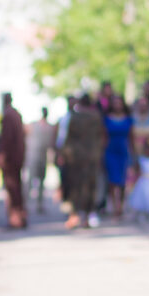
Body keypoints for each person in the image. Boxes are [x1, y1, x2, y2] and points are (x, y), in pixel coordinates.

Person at [57, 94, 106, 229]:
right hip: (91, 156)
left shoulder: (75, 117)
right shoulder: (96, 116)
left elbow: (69, 137)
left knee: (76, 186)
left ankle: (75, 215)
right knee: (90, 185)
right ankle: (88, 215)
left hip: (76, 157)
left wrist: (64, 154)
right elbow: (101, 136)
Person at [0, 92, 27, 228]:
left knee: (12, 188)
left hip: (11, 158)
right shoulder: (16, 114)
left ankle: (16, 218)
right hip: (18, 156)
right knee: (17, 187)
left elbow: (7, 138)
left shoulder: (8, 115)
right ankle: (20, 215)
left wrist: (3, 154)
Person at [103, 95, 133, 219]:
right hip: (110, 151)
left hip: (123, 151)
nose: (117, 105)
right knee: (112, 181)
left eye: (119, 102)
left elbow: (131, 138)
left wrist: (133, 154)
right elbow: (103, 137)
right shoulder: (107, 119)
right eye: (115, 103)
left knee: (122, 181)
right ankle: (115, 207)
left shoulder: (128, 120)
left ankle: (120, 205)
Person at [24, 107, 55, 214]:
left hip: (43, 156)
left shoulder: (50, 127)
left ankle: (40, 204)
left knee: (42, 181)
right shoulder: (33, 125)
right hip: (32, 155)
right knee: (30, 180)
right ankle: (25, 203)